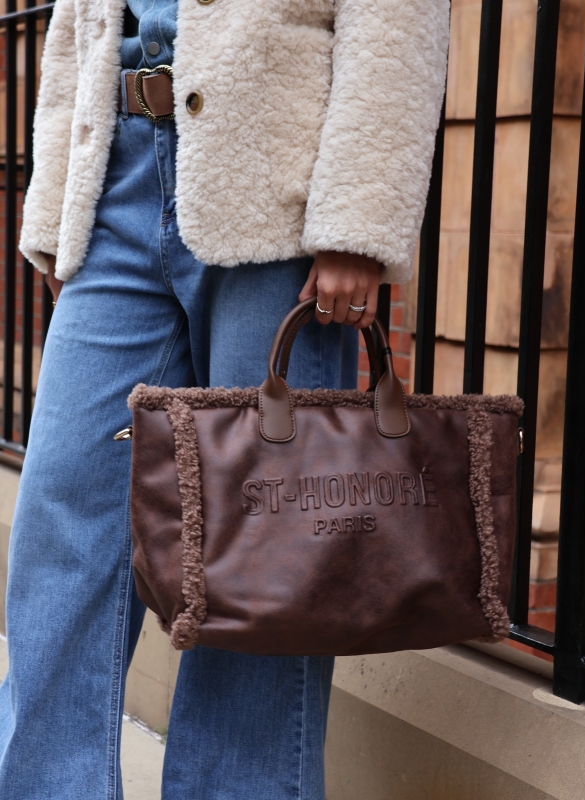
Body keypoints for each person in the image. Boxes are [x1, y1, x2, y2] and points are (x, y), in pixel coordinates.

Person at [0, 0, 449, 797]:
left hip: (272, 180)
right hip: (119, 173)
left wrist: (358, 218)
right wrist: (57, 203)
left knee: (262, 550)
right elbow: (78, 20)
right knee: (61, 513)